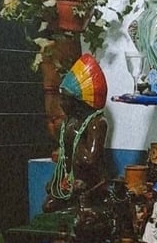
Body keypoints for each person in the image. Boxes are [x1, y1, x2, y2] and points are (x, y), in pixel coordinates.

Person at [43, 54, 109, 213]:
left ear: (78, 101)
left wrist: (76, 137)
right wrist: (57, 179)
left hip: (89, 184)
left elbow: (90, 160)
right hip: (69, 181)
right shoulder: (69, 121)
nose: (61, 104)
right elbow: (65, 157)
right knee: (48, 206)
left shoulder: (96, 123)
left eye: (65, 99)